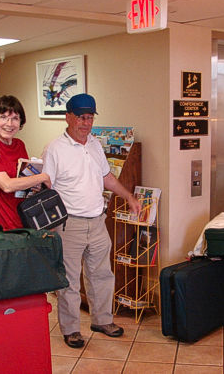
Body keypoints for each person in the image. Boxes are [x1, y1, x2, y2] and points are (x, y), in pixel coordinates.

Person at [42, 93, 141, 348]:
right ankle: (71, 329)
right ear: (68, 117)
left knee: (102, 275)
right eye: (80, 117)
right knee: (69, 281)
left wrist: (128, 196)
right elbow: (46, 187)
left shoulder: (95, 145)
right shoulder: (55, 149)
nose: (85, 123)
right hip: (69, 224)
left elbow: (107, 177)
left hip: (97, 220)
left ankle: (102, 320)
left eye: (89, 117)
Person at [0, 95, 51, 230]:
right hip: (0, 222)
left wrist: (35, 185)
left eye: (15, 118)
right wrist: (43, 177)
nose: (9, 124)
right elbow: (7, 185)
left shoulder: (19, 145)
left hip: (23, 216)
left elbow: (23, 179)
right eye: (3, 117)